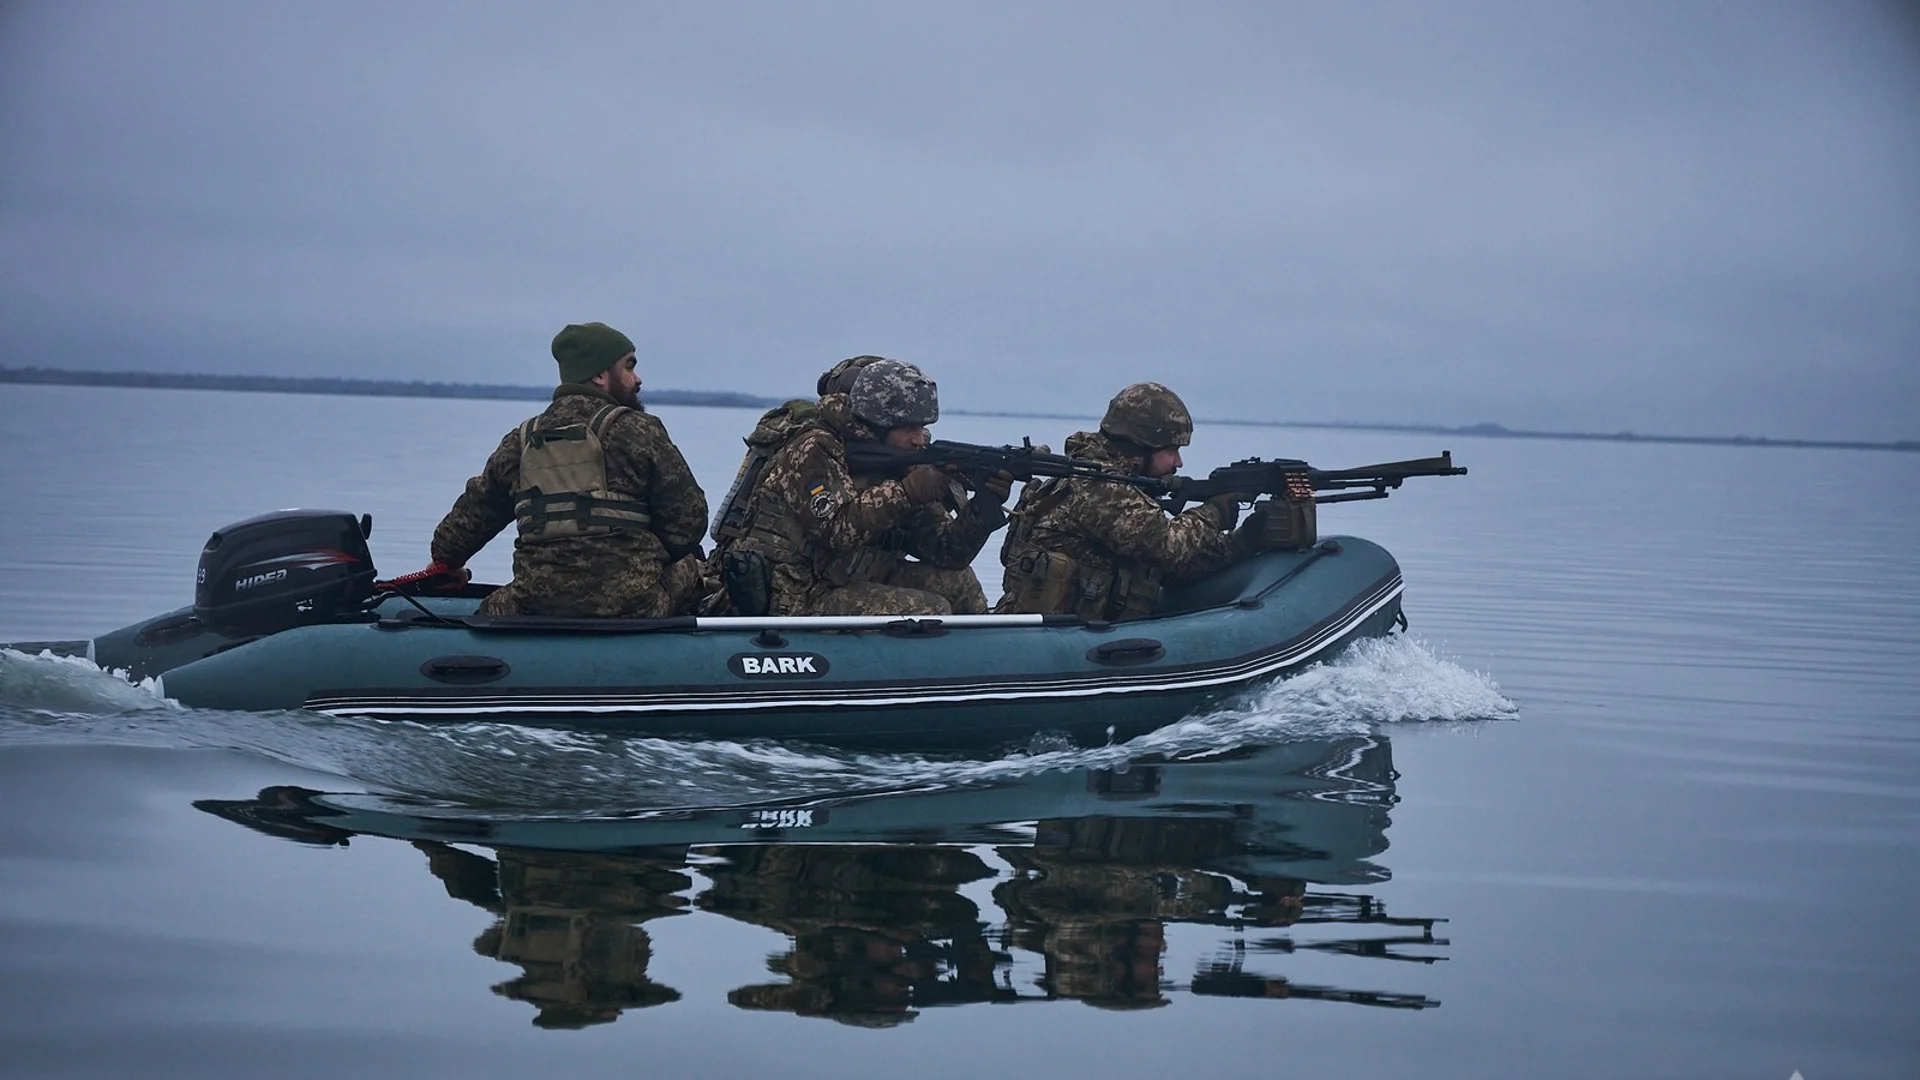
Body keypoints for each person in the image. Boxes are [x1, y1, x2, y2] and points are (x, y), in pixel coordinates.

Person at [418, 321, 709, 617]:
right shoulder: (640, 430)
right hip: (631, 607)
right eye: (629, 367)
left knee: (493, 608)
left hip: (534, 604)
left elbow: (461, 529)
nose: (637, 379)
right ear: (598, 375)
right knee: (692, 568)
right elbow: (688, 525)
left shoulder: (521, 441)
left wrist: (448, 564)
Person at [714, 358, 1010, 616]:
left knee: (961, 584)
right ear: (879, 422)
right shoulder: (814, 447)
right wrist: (907, 492)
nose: (920, 439)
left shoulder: (901, 458)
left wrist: (984, 507)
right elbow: (836, 532)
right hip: (796, 589)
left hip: (852, 574)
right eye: (909, 428)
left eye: (923, 427)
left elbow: (945, 551)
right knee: (930, 610)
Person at [995, 382, 1258, 621]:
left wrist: (1245, 540)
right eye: (1171, 450)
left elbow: (1170, 569)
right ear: (1139, 445)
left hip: (1075, 634)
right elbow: (1165, 546)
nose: (1179, 462)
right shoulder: (1099, 487)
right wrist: (1215, 512)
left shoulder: (1107, 479)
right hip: (1055, 643)